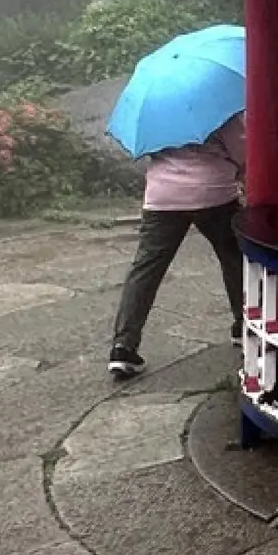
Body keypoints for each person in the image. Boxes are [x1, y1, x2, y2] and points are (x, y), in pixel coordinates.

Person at [108, 111, 247, 381]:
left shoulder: (155, 110)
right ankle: (244, 325)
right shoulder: (219, 107)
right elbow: (242, 148)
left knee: (146, 269)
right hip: (214, 193)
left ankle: (123, 346)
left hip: (164, 196)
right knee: (234, 257)